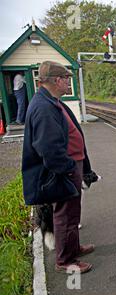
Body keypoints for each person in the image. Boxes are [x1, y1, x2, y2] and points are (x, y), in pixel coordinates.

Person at [22, 61, 98, 274]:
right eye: (67, 80)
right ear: (57, 80)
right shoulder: (44, 108)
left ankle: (73, 248)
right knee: (65, 215)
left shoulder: (51, 101)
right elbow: (48, 148)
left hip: (71, 166)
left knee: (73, 213)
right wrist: (68, 168)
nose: (68, 83)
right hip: (63, 170)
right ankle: (65, 260)